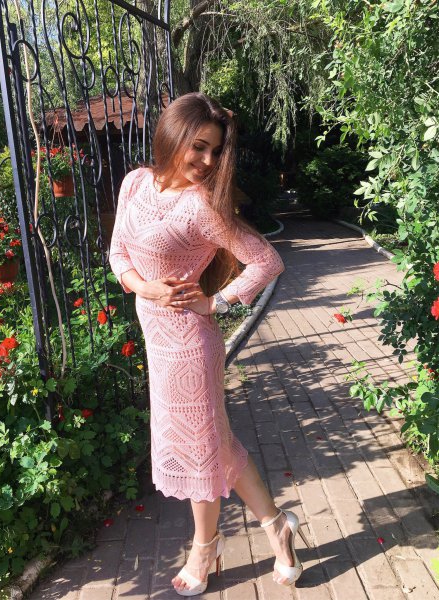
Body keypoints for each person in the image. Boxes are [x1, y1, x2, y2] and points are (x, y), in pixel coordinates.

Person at [109, 92, 309, 596]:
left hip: (191, 346)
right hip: (157, 340)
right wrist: (145, 287)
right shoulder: (135, 182)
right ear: (171, 136)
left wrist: (216, 302)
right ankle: (277, 526)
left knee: (200, 449)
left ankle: (205, 547)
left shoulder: (202, 206)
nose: (206, 160)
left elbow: (267, 260)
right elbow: (117, 254)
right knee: (215, 443)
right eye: (198, 146)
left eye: (216, 151)